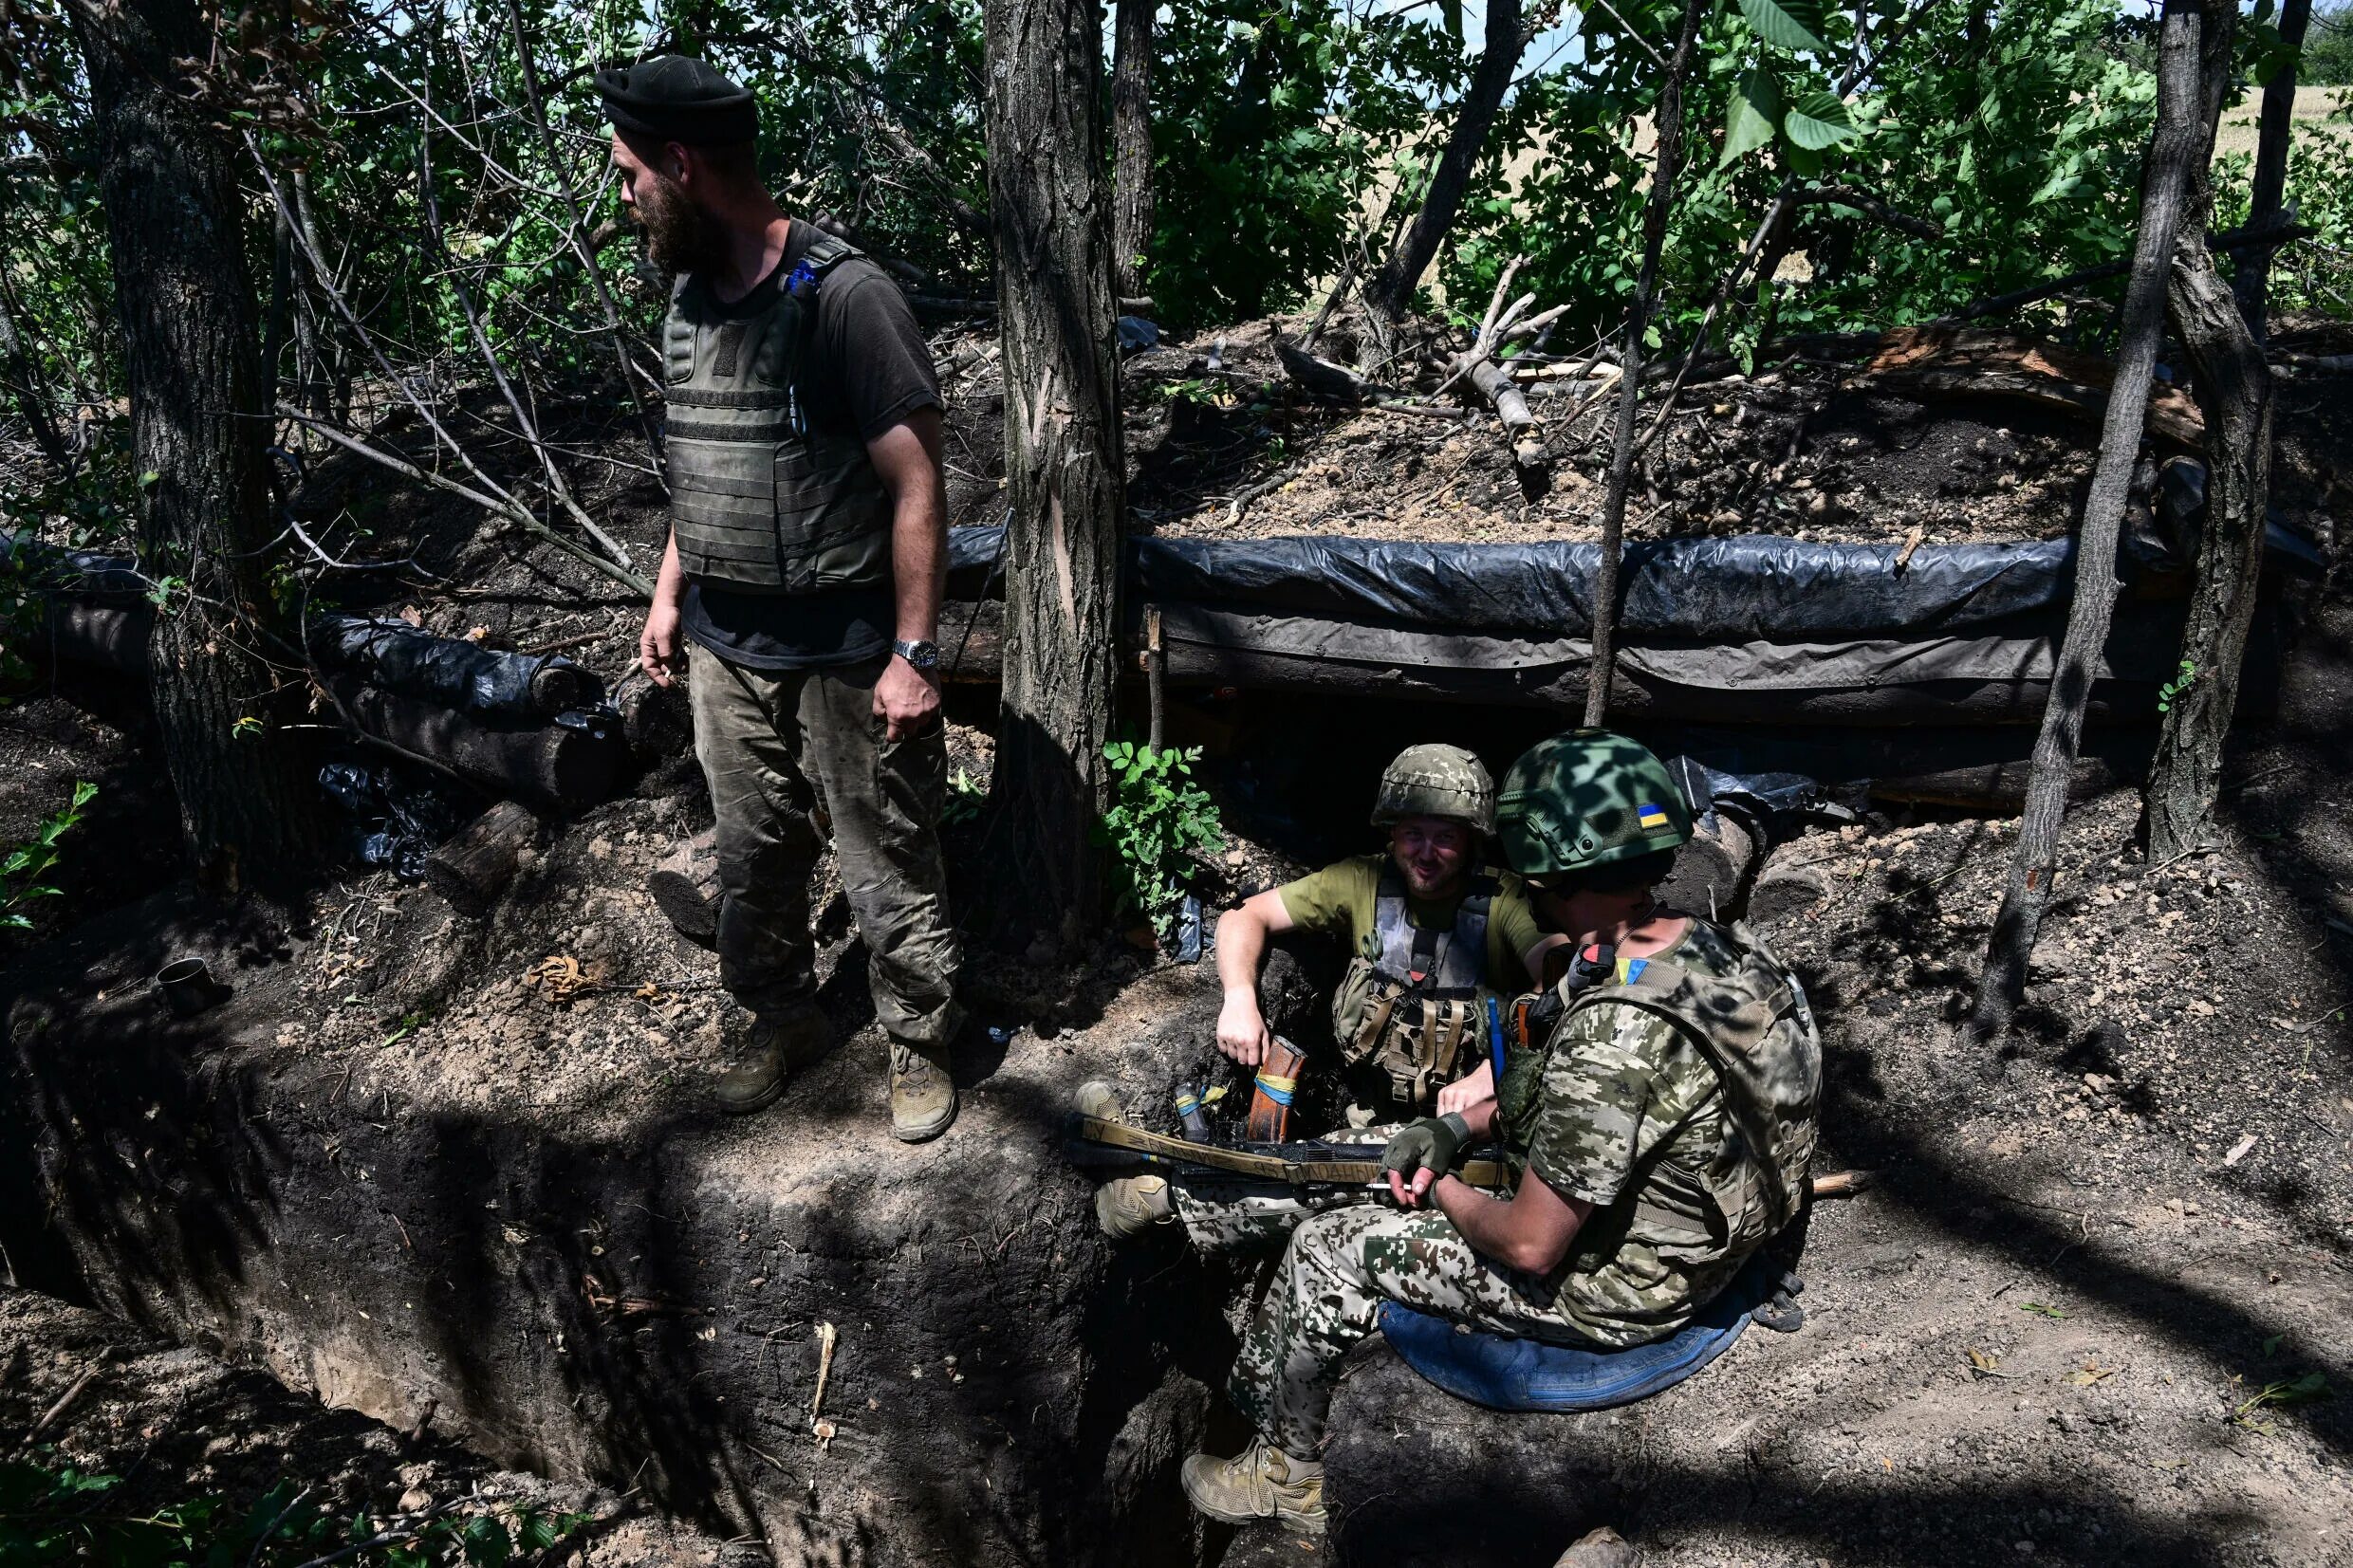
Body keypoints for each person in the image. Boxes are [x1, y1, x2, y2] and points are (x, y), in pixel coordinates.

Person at [1171, 729, 1824, 1531]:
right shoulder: (1739, 954)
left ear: (1547, 873)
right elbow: (1603, 1099)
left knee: (1329, 1246)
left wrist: (1440, 1183)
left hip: (1620, 1289)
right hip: (1702, 1231)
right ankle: (1191, 1211)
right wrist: (1461, 1128)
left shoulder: (1617, 1026)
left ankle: (1287, 1476)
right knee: (1367, 1162)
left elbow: (1529, 1246)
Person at [597, 56, 961, 1141]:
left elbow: (918, 484)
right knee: (752, 860)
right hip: (725, 642)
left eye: (628, 178)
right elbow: (706, 463)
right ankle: (780, 1020)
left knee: (883, 856)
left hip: (846, 648)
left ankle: (919, 1041)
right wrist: (668, 591)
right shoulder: (687, 295)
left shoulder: (844, 298)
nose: (622, 203)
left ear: (680, 163)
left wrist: (913, 652)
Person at [1092, 743, 1561, 1234]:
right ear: (1392, 832)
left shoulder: (1504, 902)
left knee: (1317, 1183)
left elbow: (1563, 976)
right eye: (1413, 834)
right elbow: (1244, 916)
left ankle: (1151, 1199)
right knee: (1320, 1171)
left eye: (1445, 837)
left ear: (1471, 841)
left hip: (1475, 1134)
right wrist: (1238, 998)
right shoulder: (1364, 881)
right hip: (1369, 1116)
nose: (1426, 852)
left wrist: (1495, 1075)